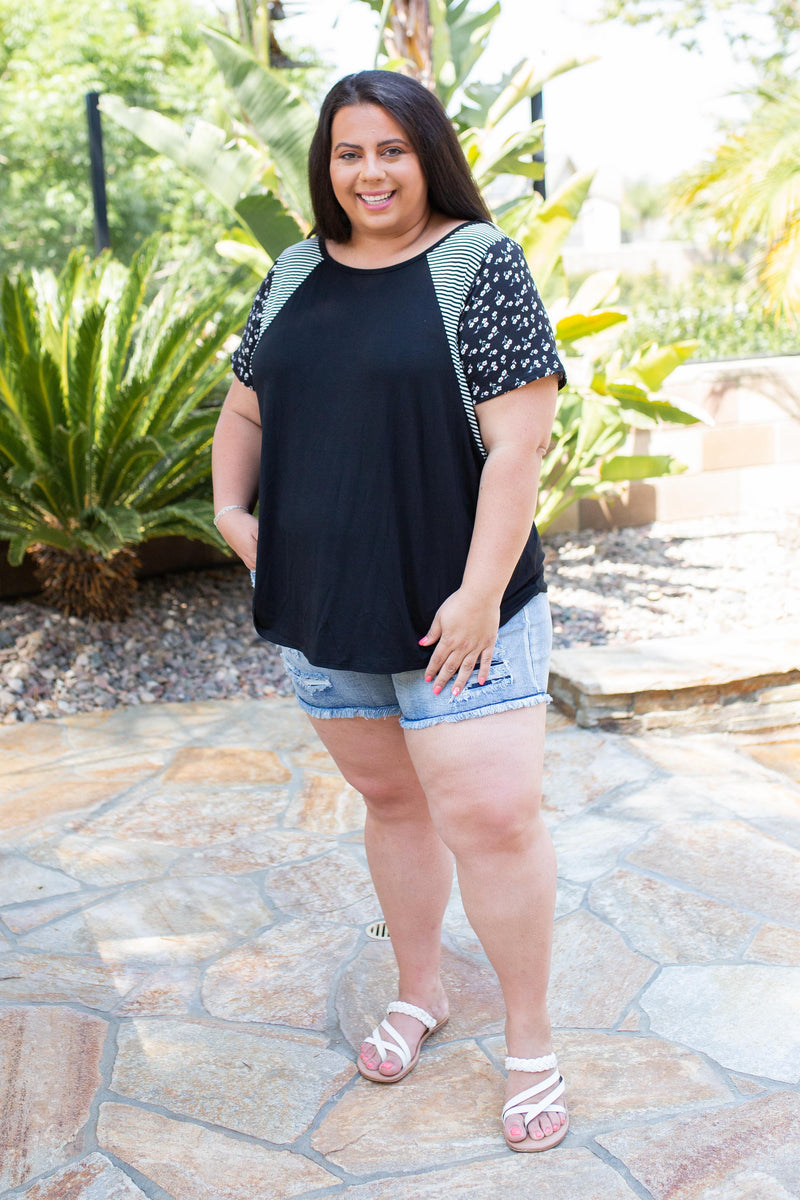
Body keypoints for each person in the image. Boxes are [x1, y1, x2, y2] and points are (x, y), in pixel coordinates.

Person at [211, 69, 568, 1153]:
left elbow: (519, 446)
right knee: (393, 805)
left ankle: (530, 1041)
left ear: (427, 156)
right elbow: (245, 401)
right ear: (326, 166)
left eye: (391, 151)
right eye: (347, 153)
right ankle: (422, 990)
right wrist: (230, 511)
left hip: (459, 607)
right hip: (324, 603)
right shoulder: (291, 271)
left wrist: (473, 596)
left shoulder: (476, 263)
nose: (369, 172)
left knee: (493, 820)